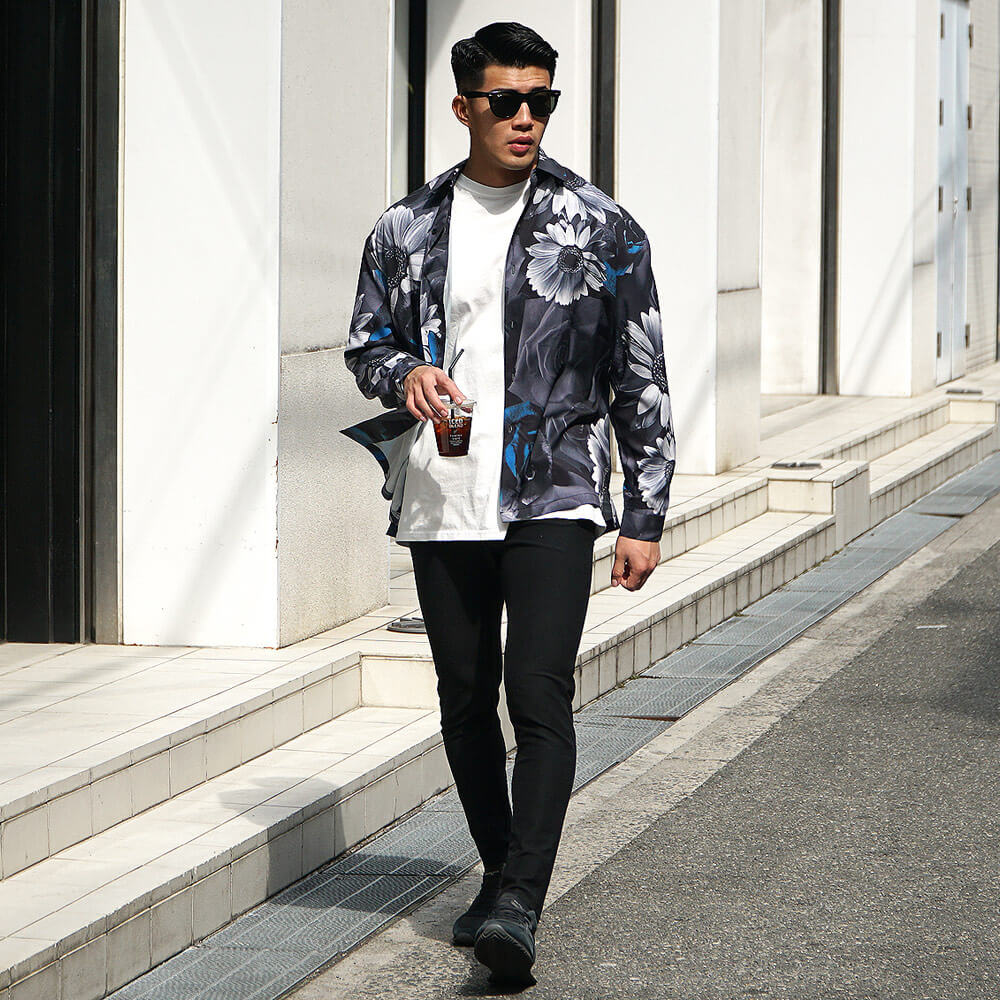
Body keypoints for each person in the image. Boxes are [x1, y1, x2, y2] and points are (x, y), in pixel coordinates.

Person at [341, 20, 676, 985]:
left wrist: (645, 511)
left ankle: (521, 902)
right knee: (462, 695)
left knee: (537, 692)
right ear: (464, 108)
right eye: (507, 101)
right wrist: (403, 371)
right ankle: (499, 874)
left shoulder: (599, 225)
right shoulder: (405, 228)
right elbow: (366, 343)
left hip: (554, 491)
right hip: (443, 491)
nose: (526, 118)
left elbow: (640, 372)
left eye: (542, 101)